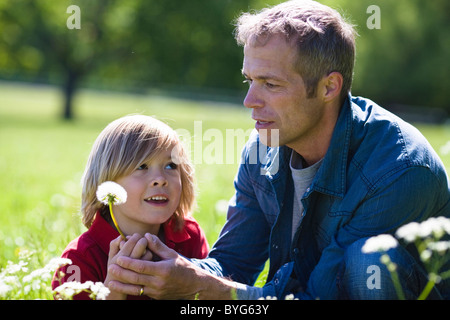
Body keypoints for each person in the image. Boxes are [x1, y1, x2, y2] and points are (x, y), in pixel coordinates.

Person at [106, 0, 450, 299]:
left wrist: (205, 289)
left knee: (367, 263)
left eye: (270, 84)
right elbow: (231, 264)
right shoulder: (262, 150)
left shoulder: (399, 169)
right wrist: (156, 268)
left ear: (329, 86)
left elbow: (319, 295)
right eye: (249, 81)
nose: (249, 101)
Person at [51, 115, 209, 300]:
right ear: (107, 179)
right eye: (142, 166)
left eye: (170, 165)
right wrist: (114, 289)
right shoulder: (78, 259)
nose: (160, 179)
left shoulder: (189, 235)